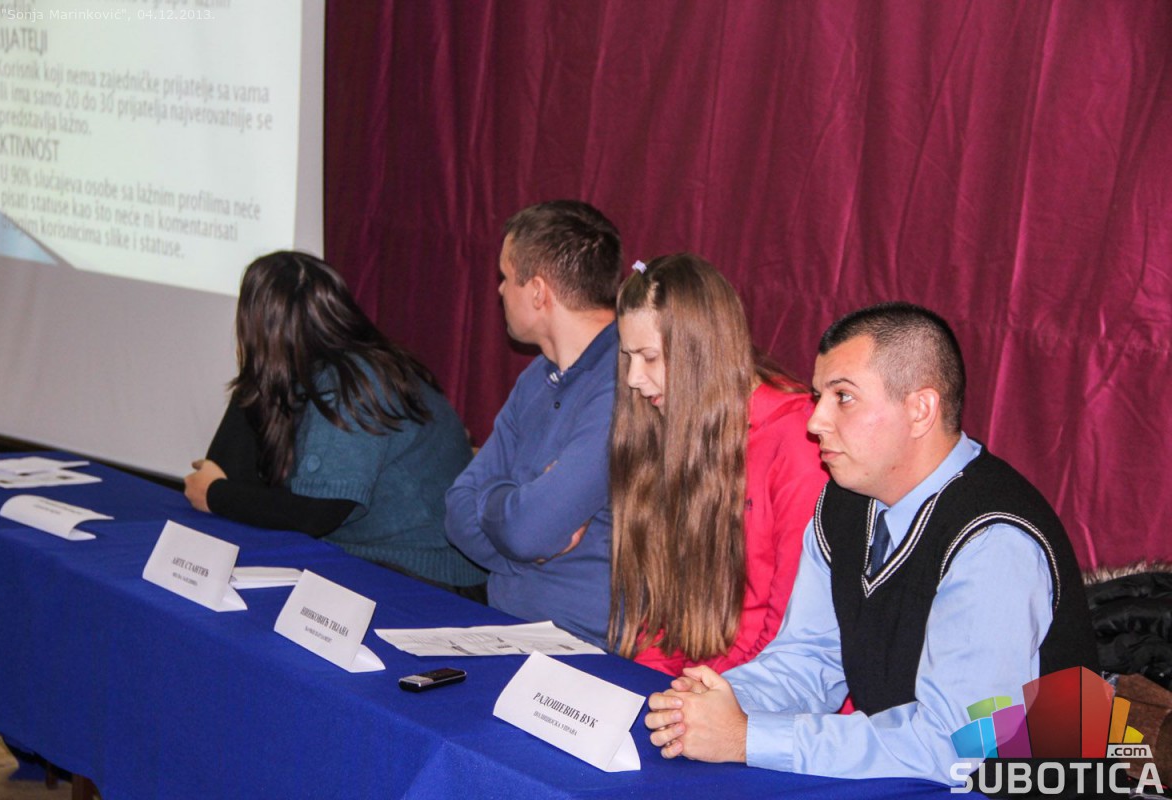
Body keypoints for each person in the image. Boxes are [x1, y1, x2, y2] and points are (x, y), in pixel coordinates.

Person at [643, 302, 1099, 783]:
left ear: (920, 410)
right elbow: (810, 659)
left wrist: (747, 737)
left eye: (843, 397)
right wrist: (714, 702)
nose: (815, 421)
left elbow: (958, 746)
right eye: (819, 396)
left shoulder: (993, 540)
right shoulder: (844, 503)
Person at [184, 251, 486, 594]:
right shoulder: (312, 370)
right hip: (365, 557)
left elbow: (316, 514)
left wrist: (217, 495)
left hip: (427, 574)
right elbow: (225, 470)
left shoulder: (355, 383)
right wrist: (258, 370)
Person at [609, 254, 827, 675]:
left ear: (700, 352)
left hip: (760, 689)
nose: (633, 378)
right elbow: (665, 621)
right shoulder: (671, 423)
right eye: (628, 357)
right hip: (700, 685)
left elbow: (787, 639)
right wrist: (641, 681)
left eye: (649, 357)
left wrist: (691, 697)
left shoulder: (797, 440)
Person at [445, 200, 621, 648]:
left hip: (583, 650)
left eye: (506, 277)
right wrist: (524, 541)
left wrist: (515, 520)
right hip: (503, 626)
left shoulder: (627, 383)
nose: (500, 290)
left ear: (539, 293)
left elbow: (528, 532)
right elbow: (457, 509)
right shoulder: (538, 375)